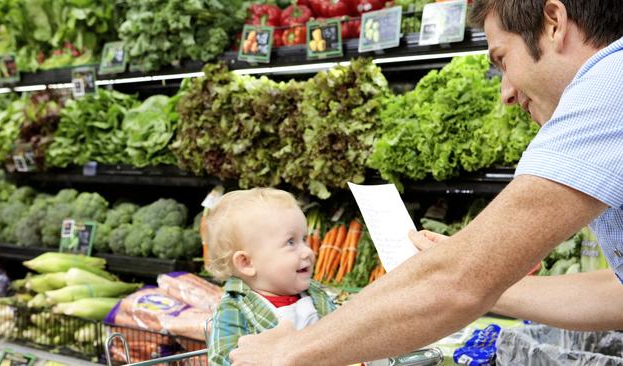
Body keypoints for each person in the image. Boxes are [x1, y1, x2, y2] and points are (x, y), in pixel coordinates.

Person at [229, 1, 623, 365]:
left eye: (502, 59)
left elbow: (454, 284)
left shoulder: (610, 87)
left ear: (553, 22)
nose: (505, 92)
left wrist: (290, 350)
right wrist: (492, 277)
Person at [204, 188, 336, 365]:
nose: (307, 251)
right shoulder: (234, 309)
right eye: (290, 242)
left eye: (304, 239)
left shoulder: (316, 295)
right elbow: (222, 359)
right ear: (247, 262)